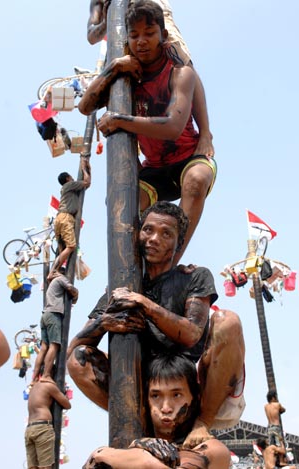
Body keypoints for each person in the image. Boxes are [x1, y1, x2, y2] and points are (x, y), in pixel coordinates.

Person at [67, 201, 245, 444]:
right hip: (145, 394)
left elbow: (192, 333)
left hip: (189, 389)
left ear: (179, 243)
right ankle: (139, 424)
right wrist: (104, 322)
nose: (153, 239)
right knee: (79, 359)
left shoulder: (194, 276)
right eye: (148, 230)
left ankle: (201, 424)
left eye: (166, 234)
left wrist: (145, 305)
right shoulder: (122, 287)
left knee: (228, 322)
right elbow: (73, 348)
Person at [79, 0, 216, 263]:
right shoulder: (108, 16)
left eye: (149, 35)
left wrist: (205, 132)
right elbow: (85, 104)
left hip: (185, 154)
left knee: (195, 180)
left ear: (160, 36)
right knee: (121, 200)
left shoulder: (175, 66)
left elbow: (173, 125)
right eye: (136, 36)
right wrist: (114, 58)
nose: (142, 41)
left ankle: (170, 263)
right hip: (155, 165)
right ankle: (136, 268)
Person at [87, 0, 214, 157]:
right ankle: (135, 159)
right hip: (122, 29)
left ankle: (205, 134)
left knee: (184, 65)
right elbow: (92, 36)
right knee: (116, 79)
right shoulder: (98, 3)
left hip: (153, 16)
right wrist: (107, 21)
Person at [83, 354, 231, 469]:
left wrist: (105, 455)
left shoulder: (213, 450)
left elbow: (97, 459)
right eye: (155, 396)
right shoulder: (133, 443)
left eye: (176, 395)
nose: (166, 408)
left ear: (195, 397)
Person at [32, 269, 78, 383]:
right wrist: (76, 293)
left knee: (43, 348)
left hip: (45, 315)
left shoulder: (52, 283)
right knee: (54, 345)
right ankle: (46, 375)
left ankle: (34, 379)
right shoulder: (61, 279)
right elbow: (73, 291)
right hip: (53, 315)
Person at [48, 158, 91, 279]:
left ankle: (55, 271)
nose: (73, 178)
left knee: (63, 250)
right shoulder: (69, 185)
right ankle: (53, 271)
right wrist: (84, 169)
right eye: (71, 177)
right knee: (71, 246)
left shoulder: (71, 189)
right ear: (67, 178)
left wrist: (88, 168)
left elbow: (87, 184)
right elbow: (86, 182)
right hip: (65, 217)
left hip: (60, 218)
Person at [25, 369, 71, 469]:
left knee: (32, 466)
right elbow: (67, 405)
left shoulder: (34, 387)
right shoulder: (49, 386)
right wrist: (63, 392)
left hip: (30, 428)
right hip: (42, 427)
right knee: (45, 466)